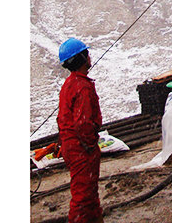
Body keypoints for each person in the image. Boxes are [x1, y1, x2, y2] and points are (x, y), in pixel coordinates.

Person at [57, 37, 104, 223]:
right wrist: (91, 146)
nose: (90, 57)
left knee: (89, 192)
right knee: (83, 197)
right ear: (83, 58)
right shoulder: (82, 87)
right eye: (87, 54)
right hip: (81, 149)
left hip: (72, 146)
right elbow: (83, 123)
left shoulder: (70, 84)